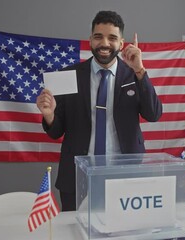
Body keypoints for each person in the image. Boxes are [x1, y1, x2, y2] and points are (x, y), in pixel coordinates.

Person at [36, 10, 162, 211]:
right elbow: (56, 131)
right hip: (77, 176)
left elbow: (154, 114)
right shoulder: (69, 75)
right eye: (98, 37)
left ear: (121, 44)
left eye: (112, 38)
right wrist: (49, 114)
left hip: (125, 175)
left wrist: (139, 70)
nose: (104, 43)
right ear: (90, 41)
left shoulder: (134, 75)